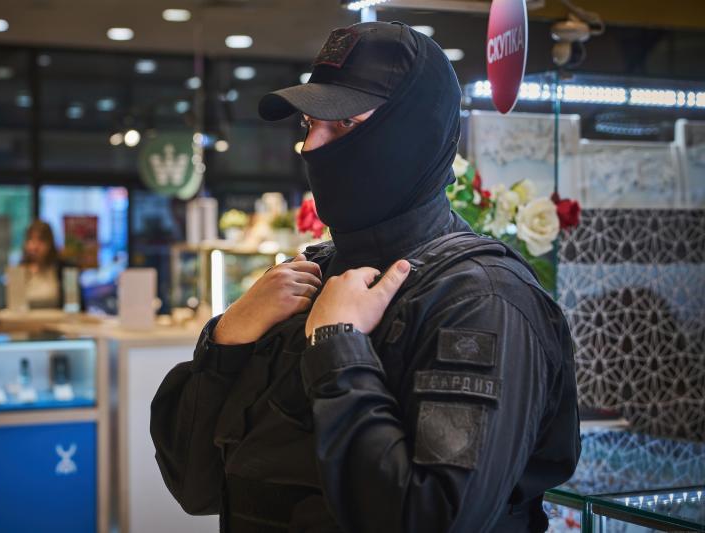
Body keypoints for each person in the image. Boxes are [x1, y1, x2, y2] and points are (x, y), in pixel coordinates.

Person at [151, 21, 580, 533]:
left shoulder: (482, 299)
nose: (311, 147)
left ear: (414, 135)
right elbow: (196, 485)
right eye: (309, 124)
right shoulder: (308, 278)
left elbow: (435, 519)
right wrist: (228, 338)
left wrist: (338, 346)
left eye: (343, 124)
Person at [20, 220, 80, 310]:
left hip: (59, 318)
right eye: (31, 240)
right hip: (25, 319)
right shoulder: (20, 269)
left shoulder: (64, 268)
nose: (34, 246)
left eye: (40, 240)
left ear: (50, 243)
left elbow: (74, 305)